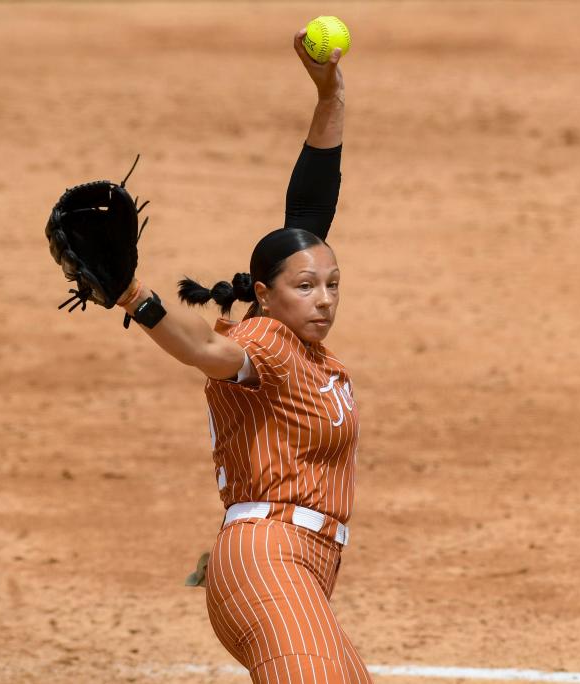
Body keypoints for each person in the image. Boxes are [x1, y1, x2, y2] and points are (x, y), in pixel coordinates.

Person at [115, 29, 372, 683]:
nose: (323, 300)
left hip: (305, 566)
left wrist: (330, 92)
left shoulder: (306, 349)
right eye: (305, 287)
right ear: (264, 294)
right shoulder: (267, 344)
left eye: (331, 285)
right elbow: (202, 346)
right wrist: (134, 294)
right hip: (267, 560)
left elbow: (312, 203)